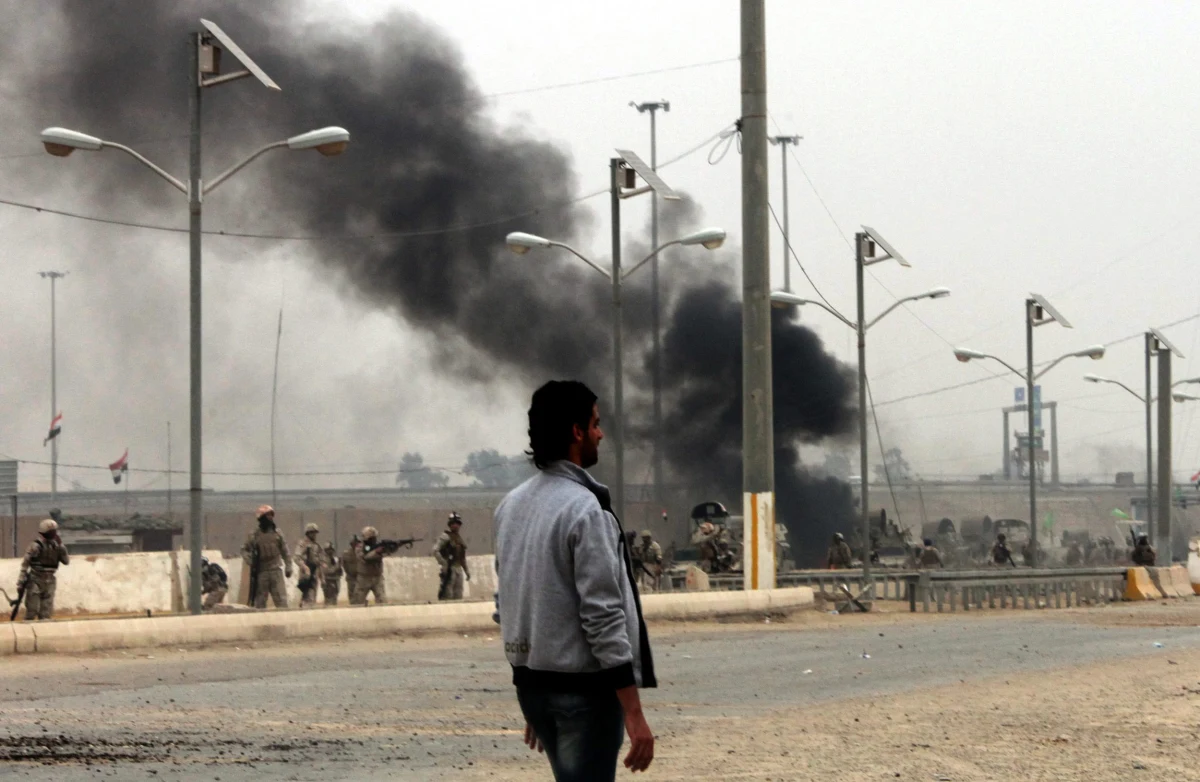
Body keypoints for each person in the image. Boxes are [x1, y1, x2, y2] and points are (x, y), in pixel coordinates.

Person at [495, 380, 655, 780]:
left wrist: (538, 695)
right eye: (596, 424)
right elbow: (602, 616)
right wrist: (634, 713)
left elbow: (512, 603)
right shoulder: (585, 510)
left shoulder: (510, 506)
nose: (601, 434)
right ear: (576, 431)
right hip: (583, 696)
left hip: (534, 692)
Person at [18, 518, 70, 621]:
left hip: (50, 580)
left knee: (46, 612)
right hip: (35, 579)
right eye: (51, 532)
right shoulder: (36, 546)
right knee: (32, 609)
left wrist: (61, 547)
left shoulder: (57, 546)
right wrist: (21, 580)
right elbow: (25, 563)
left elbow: (66, 561)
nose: (53, 534)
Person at [241, 505, 292, 609]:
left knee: (282, 601)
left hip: (276, 571)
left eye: (271, 515)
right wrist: (250, 561)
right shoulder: (254, 535)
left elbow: (285, 551)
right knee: (260, 603)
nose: (270, 518)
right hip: (261, 572)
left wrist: (288, 566)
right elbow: (244, 550)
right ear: (261, 518)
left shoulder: (278, 533)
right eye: (267, 516)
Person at [433, 512, 471, 600]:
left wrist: (466, 571)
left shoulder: (458, 538)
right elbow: (435, 550)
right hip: (449, 569)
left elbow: (462, 557)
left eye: (458, 523)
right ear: (450, 525)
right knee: (447, 595)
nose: (456, 526)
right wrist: (443, 563)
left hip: (458, 569)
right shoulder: (445, 536)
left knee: (458, 594)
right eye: (453, 523)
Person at [354, 526, 388, 605]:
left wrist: (389, 548)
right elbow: (365, 558)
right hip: (364, 578)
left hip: (377, 577)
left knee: (382, 600)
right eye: (371, 538)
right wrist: (376, 552)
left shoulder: (378, 546)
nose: (374, 539)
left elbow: (385, 553)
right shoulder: (360, 547)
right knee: (358, 601)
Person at [294, 522, 326, 608]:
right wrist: (304, 567)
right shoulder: (303, 543)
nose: (314, 535)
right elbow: (296, 557)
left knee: (311, 600)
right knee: (305, 599)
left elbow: (320, 563)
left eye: (315, 533)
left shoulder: (317, 546)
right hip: (305, 576)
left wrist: (322, 578)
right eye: (312, 532)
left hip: (314, 576)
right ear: (308, 533)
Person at [342, 535, 361, 602]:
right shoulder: (346, 553)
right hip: (351, 578)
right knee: (352, 597)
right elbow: (344, 565)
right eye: (355, 543)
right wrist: (350, 573)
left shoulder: (361, 552)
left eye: (357, 543)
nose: (356, 544)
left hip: (360, 578)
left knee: (360, 596)